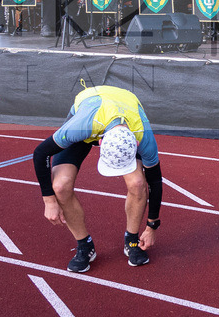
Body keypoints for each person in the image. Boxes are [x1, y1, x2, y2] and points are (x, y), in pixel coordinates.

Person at [32, 85, 163, 272]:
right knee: (60, 186)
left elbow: (155, 182)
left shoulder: (143, 135)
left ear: (136, 144)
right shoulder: (79, 128)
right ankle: (84, 245)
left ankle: (132, 240)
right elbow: (40, 153)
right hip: (91, 108)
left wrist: (152, 227)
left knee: (138, 182)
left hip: (125, 106)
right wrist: (49, 199)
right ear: (99, 142)